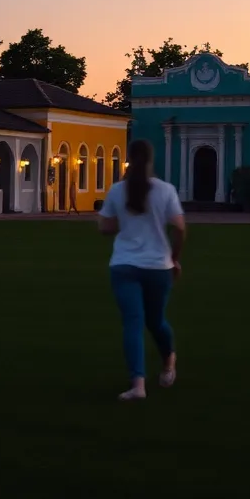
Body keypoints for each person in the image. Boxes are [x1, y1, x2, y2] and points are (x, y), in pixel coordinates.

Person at [97, 139, 186, 401]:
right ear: (150, 160)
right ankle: (164, 365)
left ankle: (139, 384)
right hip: (156, 266)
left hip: (126, 264)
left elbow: (104, 227)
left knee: (136, 323)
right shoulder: (165, 190)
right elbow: (180, 228)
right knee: (152, 321)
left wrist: (122, 224)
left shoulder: (117, 190)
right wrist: (175, 258)